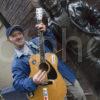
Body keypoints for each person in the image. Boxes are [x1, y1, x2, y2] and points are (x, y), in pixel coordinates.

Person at [6, 23, 86, 100]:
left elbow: (52, 44)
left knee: (80, 95)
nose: (18, 37)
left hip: (62, 73)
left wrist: (46, 31)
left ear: (23, 34)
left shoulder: (37, 41)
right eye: (13, 36)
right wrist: (32, 81)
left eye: (19, 33)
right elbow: (18, 84)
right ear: (9, 40)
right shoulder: (17, 62)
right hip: (49, 86)